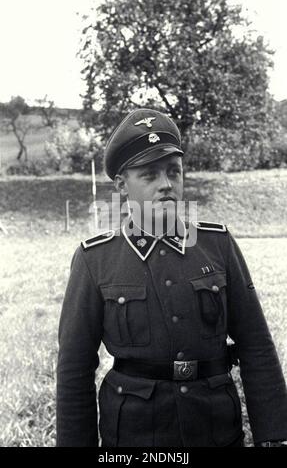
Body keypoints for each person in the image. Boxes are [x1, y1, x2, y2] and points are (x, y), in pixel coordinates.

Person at [56, 108, 287, 447]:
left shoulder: (217, 245)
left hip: (215, 429)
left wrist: (275, 435)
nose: (166, 184)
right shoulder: (96, 260)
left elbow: (256, 345)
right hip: (136, 435)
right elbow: (74, 369)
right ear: (122, 185)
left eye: (173, 172)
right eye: (149, 175)